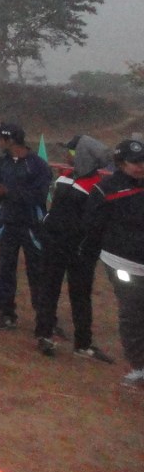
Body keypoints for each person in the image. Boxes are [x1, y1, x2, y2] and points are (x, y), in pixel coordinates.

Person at [34, 134, 114, 359]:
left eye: (71, 152)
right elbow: (55, 208)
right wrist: (47, 225)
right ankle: (44, 334)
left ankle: (83, 343)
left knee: (80, 295)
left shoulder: (97, 186)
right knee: (49, 289)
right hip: (55, 244)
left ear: (83, 156)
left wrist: (84, 246)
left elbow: (94, 222)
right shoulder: (64, 178)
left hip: (79, 250)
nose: (67, 155)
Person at [0, 123, 51, 330]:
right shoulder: (2, 162)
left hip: (31, 225)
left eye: (0, 138)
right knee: (6, 269)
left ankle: (45, 317)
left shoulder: (38, 165)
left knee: (37, 272)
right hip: (7, 223)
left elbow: (39, 196)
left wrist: (6, 192)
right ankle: (6, 313)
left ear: (10, 140)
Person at [83, 139, 144, 389]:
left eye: (143, 161)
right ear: (120, 163)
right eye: (134, 162)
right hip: (122, 263)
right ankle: (139, 366)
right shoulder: (105, 189)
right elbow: (92, 226)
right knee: (133, 312)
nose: (140, 166)